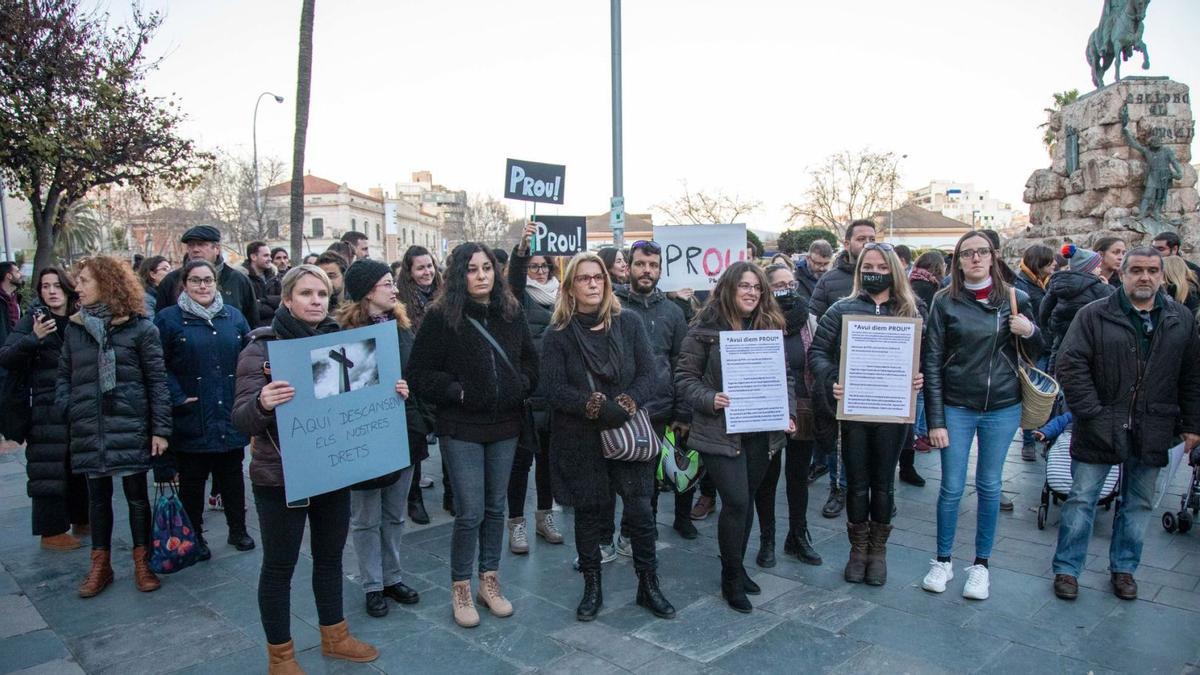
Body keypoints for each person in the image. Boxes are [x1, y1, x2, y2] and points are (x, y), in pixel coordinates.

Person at [232, 265, 378, 671]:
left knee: (330, 557)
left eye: (323, 294)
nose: (316, 301)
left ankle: (336, 635)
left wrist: (390, 391)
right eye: (306, 294)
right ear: (287, 299)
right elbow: (241, 420)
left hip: (331, 470)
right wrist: (262, 402)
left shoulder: (342, 343)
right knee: (280, 566)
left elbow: (360, 405)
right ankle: (280, 656)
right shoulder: (260, 349)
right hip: (280, 478)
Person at [1051, 247, 1200, 601]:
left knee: (1138, 504)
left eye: (1151, 270)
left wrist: (1192, 424)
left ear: (1162, 276)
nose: (1144, 277)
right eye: (1136, 270)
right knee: (1082, 499)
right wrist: (1092, 411)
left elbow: (1192, 376)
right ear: (1122, 274)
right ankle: (1067, 569)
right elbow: (1071, 365)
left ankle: (1124, 569)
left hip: (1154, 427)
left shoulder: (1179, 319)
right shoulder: (1094, 314)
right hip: (1100, 423)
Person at [408, 243, 538, 628]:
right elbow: (419, 373)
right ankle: (460, 586)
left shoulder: (512, 313)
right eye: (472, 269)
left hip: (505, 425)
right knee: (471, 512)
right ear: (459, 275)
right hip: (461, 427)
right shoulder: (440, 318)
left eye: (487, 268)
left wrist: (521, 386)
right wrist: (457, 391)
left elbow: (531, 361)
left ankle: (489, 581)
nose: (482, 275)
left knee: (497, 507)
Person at [542, 251, 676, 621]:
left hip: (628, 434)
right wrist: (596, 406)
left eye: (598, 277)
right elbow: (552, 389)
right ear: (570, 287)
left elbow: (650, 375)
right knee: (588, 516)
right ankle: (592, 587)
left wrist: (627, 402)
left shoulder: (628, 322)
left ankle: (648, 586)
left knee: (640, 514)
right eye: (583, 278)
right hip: (581, 439)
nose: (592, 284)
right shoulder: (558, 335)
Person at [921, 231, 1044, 601]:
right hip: (957, 406)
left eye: (982, 252)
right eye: (967, 253)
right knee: (952, 487)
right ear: (957, 261)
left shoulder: (1015, 299)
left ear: (993, 257)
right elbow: (932, 360)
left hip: (1003, 406)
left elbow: (1039, 351)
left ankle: (981, 565)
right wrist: (936, 420)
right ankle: (943, 560)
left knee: (990, 486)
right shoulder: (944, 301)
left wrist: (1031, 330)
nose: (975, 258)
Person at [676, 262, 796, 613]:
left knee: (745, 504)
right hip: (720, 431)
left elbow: (783, 376)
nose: (751, 293)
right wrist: (709, 398)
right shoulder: (703, 329)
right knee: (737, 501)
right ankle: (730, 578)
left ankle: (738, 566)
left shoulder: (769, 326)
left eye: (757, 288)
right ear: (729, 288)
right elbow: (683, 378)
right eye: (744, 286)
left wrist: (786, 412)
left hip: (761, 430)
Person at [809, 244, 925, 586]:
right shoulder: (841, 309)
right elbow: (819, 353)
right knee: (857, 484)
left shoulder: (910, 310)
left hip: (892, 412)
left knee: (884, 484)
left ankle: (879, 552)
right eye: (867, 265)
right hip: (856, 410)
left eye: (881, 265)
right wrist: (834, 381)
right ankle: (857, 550)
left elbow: (928, 355)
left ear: (894, 270)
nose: (874, 271)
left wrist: (919, 377)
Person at [56, 256, 171, 598]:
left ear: (107, 284)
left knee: (136, 496)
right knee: (97, 498)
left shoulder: (141, 329)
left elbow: (157, 383)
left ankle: (142, 561)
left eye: (85, 280)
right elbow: (64, 375)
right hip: (90, 425)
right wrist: (70, 407)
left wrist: (160, 429)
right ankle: (100, 565)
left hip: (130, 424)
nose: (77, 287)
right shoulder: (76, 328)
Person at [335, 259, 425, 617]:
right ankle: (372, 583)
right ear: (368, 291)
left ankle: (392, 577)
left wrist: (408, 389)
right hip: (364, 436)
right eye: (388, 283)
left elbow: (417, 373)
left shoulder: (402, 328)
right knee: (366, 516)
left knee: (394, 513)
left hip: (402, 431)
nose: (395, 289)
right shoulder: (342, 335)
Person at [154, 259, 255, 560]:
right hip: (192, 412)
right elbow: (158, 364)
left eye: (208, 280)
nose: (202, 286)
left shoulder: (233, 317)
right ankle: (194, 535)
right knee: (193, 481)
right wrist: (177, 396)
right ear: (184, 284)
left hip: (228, 411)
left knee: (233, 477)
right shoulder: (168, 320)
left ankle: (238, 530)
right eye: (196, 280)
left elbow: (249, 357)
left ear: (216, 283)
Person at [0, 267, 89, 550]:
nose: (51, 291)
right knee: (48, 469)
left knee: (78, 466)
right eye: (45, 286)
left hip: (76, 405)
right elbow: (7, 356)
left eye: (56, 286)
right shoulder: (34, 319)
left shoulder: (80, 318)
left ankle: (82, 519)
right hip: (45, 408)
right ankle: (51, 532)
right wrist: (33, 338)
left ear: (67, 289)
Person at [614, 240, 692, 541]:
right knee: (618, 480)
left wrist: (682, 411)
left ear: (660, 270)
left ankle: (643, 534)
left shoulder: (672, 312)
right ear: (629, 267)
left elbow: (682, 364)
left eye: (653, 265)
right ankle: (619, 534)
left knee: (649, 481)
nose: (647, 271)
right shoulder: (613, 307)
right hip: (619, 409)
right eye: (641, 264)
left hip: (659, 410)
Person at [754, 264, 822, 567]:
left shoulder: (809, 320)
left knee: (797, 476)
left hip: (803, 410)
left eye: (792, 284)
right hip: (768, 408)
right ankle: (766, 539)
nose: (788, 290)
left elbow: (818, 358)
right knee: (767, 478)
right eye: (780, 285)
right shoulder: (756, 321)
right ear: (768, 290)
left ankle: (798, 535)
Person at [810, 221, 877, 519]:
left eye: (872, 238)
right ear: (847, 242)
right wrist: (830, 374)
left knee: (875, 440)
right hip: (842, 378)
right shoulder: (830, 280)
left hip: (880, 380)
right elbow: (814, 326)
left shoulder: (891, 281)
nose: (866, 243)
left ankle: (877, 491)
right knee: (840, 440)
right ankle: (839, 489)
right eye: (861, 238)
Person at [504, 225, 565, 552]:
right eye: (533, 267)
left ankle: (544, 517)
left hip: (555, 393)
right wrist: (522, 250)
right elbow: (513, 280)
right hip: (527, 393)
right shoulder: (517, 297)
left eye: (544, 266)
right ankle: (516, 523)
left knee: (548, 462)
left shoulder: (563, 295)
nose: (539, 272)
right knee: (520, 463)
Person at [394, 245, 446, 522]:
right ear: (410, 271)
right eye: (420, 267)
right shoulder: (400, 302)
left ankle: (452, 493)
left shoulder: (448, 296)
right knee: (415, 440)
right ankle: (414, 498)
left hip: (445, 373)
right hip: (414, 378)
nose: (427, 272)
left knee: (450, 432)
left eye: (430, 266)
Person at [156, 225, 256, 321]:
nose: (195, 250)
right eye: (191, 245)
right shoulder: (171, 281)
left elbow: (251, 322)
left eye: (201, 244)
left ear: (217, 249)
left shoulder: (238, 280)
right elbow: (162, 322)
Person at [1039, 244, 1115, 370]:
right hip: (1091, 349)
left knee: (1059, 381)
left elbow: (1043, 314)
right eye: (1097, 266)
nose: (1100, 270)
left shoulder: (1056, 285)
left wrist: (1054, 326)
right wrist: (1107, 287)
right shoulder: (1100, 289)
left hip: (1061, 345)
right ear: (1088, 269)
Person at [1014, 243, 1057, 461]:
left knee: (1049, 395)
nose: (1055, 265)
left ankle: (1045, 434)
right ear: (1039, 264)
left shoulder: (1048, 283)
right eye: (1051, 262)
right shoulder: (1020, 284)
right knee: (1033, 395)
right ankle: (1029, 440)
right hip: (1032, 348)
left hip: (1048, 343)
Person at [242, 241, 281, 328]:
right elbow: (250, 307)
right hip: (254, 329)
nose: (270, 259)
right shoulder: (242, 278)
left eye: (270, 255)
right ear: (253, 257)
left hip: (276, 326)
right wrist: (272, 305)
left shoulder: (275, 277)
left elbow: (284, 300)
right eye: (266, 255)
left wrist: (263, 300)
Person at [795, 239, 833, 306]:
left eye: (826, 264)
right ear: (808, 258)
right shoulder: (795, 280)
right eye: (818, 263)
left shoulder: (834, 277)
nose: (822, 268)